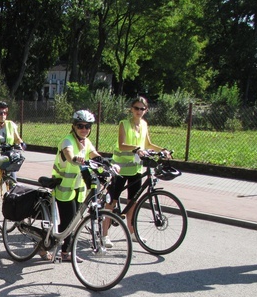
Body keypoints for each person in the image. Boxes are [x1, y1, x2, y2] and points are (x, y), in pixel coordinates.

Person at [103, 96, 170, 244]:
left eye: (142, 109)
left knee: (132, 202)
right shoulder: (124, 124)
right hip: (120, 169)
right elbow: (121, 145)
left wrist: (163, 150)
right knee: (112, 201)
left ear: (146, 110)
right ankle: (104, 235)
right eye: (136, 108)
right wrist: (137, 149)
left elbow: (148, 143)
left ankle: (132, 233)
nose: (139, 111)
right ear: (131, 109)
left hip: (136, 170)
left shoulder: (144, 124)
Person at [50, 110, 103, 262]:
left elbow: (94, 154)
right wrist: (75, 158)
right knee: (68, 221)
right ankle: (60, 250)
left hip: (78, 188)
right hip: (63, 187)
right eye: (80, 126)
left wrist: (107, 162)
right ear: (73, 126)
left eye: (87, 126)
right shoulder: (67, 141)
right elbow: (68, 153)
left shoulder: (86, 142)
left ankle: (66, 252)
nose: (84, 129)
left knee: (74, 221)